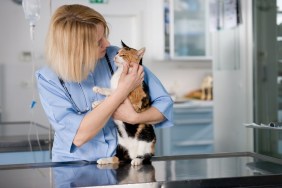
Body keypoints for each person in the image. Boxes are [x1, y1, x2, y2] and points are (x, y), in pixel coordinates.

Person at [36, 4, 173, 162]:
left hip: (122, 161)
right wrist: (122, 91)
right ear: (76, 49)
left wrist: (134, 118)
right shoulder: (48, 79)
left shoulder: (118, 57)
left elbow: (164, 105)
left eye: (105, 35)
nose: (107, 44)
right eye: (98, 42)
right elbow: (78, 136)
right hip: (75, 167)